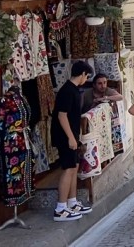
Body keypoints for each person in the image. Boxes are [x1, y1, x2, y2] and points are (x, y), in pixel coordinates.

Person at [52, 60, 94, 222]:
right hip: (65, 136)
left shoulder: (74, 90)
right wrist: (70, 137)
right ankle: (61, 208)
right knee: (68, 168)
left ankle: (72, 202)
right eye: (87, 76)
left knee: (74, 167)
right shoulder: (67, 91)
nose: (86, 79)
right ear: (82, 74)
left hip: (73, 135)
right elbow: (62, 115)